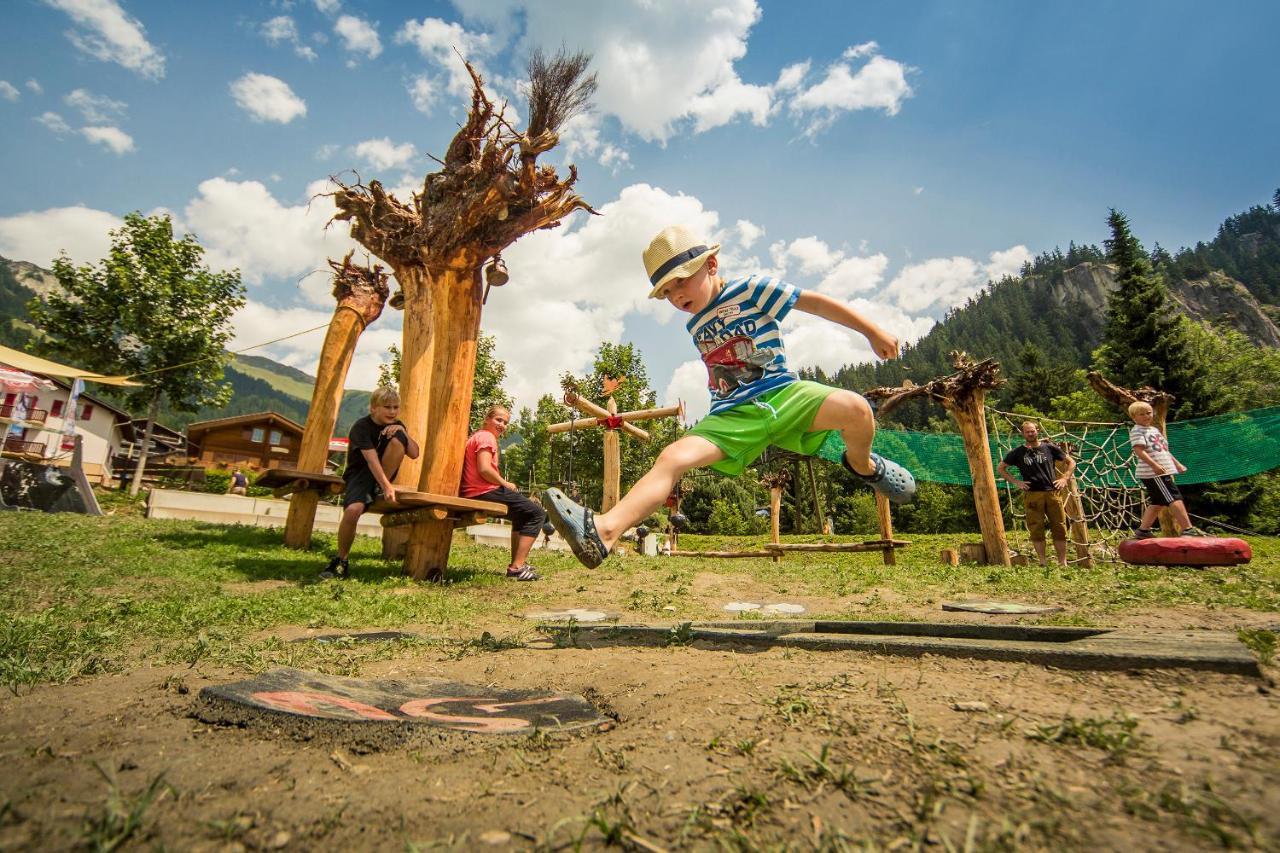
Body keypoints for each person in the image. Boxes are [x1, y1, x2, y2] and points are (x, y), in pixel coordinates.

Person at [543, 224, 915, 568]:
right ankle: (603, 532)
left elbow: (813, 302)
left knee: (856, 409)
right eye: (666, 293)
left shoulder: (751, 289)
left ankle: (865, 467)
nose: (676, 297)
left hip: (785, 395)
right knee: (672, 457)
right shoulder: (695, 323)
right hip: (733, 415)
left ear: (711, 265)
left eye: (680, 283)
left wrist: (872, 331)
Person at [320, 386, 420, 579]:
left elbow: (414, 453)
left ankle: (378, 487)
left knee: (399, 438)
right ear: (373, 408)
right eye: (387, 407)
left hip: (383, 473)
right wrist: (386, 486)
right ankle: (341, 559)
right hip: (361, 474)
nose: (392, 412)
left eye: (395, 407)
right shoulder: (361, 427)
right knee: (352, 511)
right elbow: (371, 460)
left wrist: (403, 432)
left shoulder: (397, 425)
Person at [461, 405, 547, 580]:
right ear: (487, 419)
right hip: (483, 490)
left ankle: (517, 563)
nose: (502, 425)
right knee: (537, 513)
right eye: (498, 420)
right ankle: (517, 567)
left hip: (474, 490)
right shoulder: (487, 437)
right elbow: (484, 469)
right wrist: (505, 483)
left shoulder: (477, 436)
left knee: (521, 516)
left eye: (505, 422)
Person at [997, 421, 1075, 567]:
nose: (1030, 434)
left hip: (1052, 492)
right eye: (1027, 432)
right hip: (1032, 494)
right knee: (1036, 528)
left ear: (1037, 430)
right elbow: (1001, 468)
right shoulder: (1018, 452)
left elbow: (1071, 462)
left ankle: (1062, 562)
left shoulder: (1049, 447)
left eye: (1032, 431)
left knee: (1059, 526)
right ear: (1023, 433)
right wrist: (1017, 482)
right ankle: (1042, 562)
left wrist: (1065, 478)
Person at [1127, 401, 1204, 538]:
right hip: (1153, 473)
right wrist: (1154, 465)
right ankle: (1188, 529)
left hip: (1163, 471)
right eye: (1142, 414)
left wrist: (1177, 464)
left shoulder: (1154, 430)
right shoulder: (1137, 431)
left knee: (1159, 501)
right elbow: (1139, 450)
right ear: (1134, 418)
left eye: (1149, 413)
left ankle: (1143, 531)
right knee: (1174, 497)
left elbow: (1164, 450)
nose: (1146, 416)